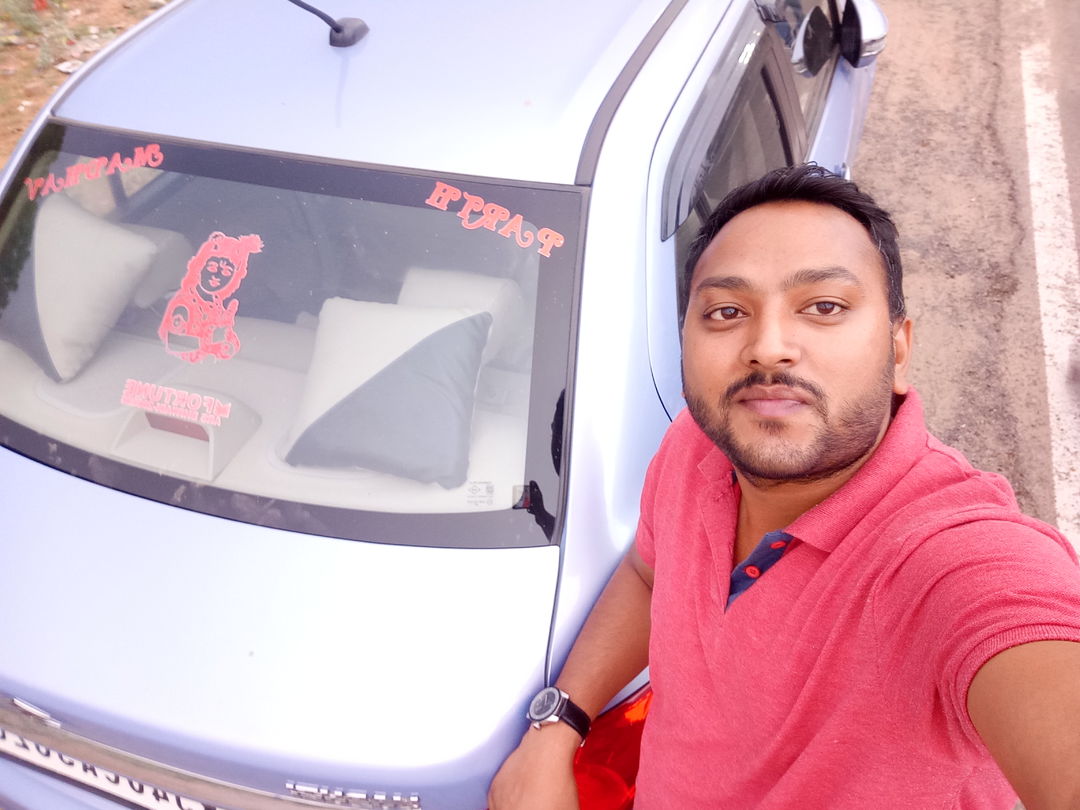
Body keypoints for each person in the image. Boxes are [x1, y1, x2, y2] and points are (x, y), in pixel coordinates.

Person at [488, 165, 1080, 809]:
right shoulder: (695, 445)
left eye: (824, 307)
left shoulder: (956, 561)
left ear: (899, 350)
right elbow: (648, 574)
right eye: (727, 311)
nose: (768, 347)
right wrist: (557, 727)